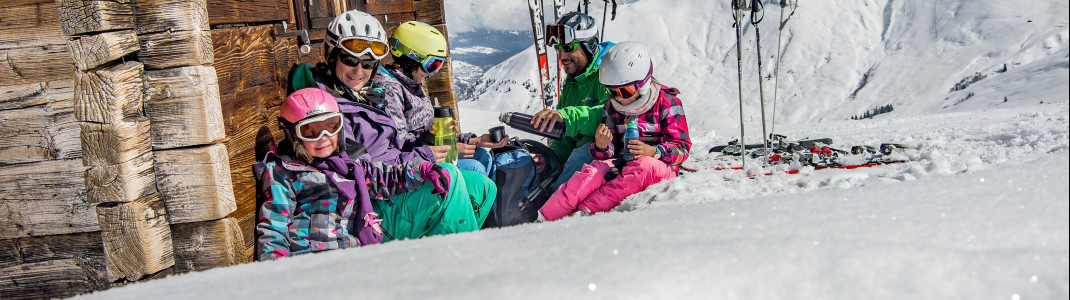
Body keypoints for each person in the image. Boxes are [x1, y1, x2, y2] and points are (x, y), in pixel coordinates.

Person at [289, 10, 495, 240]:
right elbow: (362, 174)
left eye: (367, 64)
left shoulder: (364, 96)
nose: (359, 71)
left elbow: (396, 145)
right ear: (332, 56)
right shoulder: (329, 110)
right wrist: (423, 157)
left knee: (483, 186)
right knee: (450, 176)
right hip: (373, 208)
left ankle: (437, 254)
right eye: (349, 60)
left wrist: (427, 138)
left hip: (398, 185)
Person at [255, 88, 454, 260]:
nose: (324, 138)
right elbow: (274, 228)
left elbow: (384, 177)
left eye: (332, 126)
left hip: (351, 254)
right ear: (293, 135)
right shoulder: (285, 172)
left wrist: (422, 169)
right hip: (311, 263)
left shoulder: (347, 165)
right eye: (311, 131)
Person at [538, 41, 691, 221]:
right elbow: (607, 153)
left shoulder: (665, 102)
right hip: (623, 162)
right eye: (611, 91)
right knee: (593, 171)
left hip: (659, 166)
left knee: (643, 166)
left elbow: (682, 148)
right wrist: (602, 146)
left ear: (642, 84)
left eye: (625, 91)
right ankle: (546, 215)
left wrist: (654, 152)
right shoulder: (612, 107)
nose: (619, 97)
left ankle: (584, 211)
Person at [374, 20, 508, 177]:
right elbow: (399, 146)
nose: (432, 73)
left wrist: (473, 141)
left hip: (433, 152)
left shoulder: (412, 83)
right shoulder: (389, 90)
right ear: (410, 59)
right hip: (414, 166)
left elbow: (429, 131)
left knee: (483, 157)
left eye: (438, 65)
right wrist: (448, 149)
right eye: (431, 65)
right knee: (474, 168)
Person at [529, 12, 616, 191]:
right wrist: (549, 157)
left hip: (607, 151)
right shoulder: (574, 81)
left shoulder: (609, 72)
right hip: (580, 151)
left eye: (568, 47)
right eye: (558, 49)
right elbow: (566, 137)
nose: (561, 56)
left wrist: (565, 116)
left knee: (581, 155)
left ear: (589, 45)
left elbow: (609, 114)